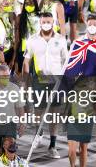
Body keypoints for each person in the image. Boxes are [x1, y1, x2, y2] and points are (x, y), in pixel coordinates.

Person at [23, 12, 69, 157]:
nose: (46, 24)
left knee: (55, 113)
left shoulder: (61, 39)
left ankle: (53, 145)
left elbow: (65, 61)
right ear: (40, 23)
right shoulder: (32, 40)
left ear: (53, 22)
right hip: (40, 79)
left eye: (49, 21)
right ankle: (39, 130)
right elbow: (26, 61)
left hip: (56, 80)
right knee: (38, 110)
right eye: (44, 21)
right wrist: (25, 80)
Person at [15, 0, 40, 73]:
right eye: (26, 4)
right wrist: (15, 53)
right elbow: (17, 36)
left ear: (35, 4)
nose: (28, 5)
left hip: (38, 48)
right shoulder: (20, 17)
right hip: (24, 48)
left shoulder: (40, 16)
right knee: (24, 72)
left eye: (31, 3)